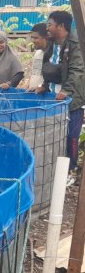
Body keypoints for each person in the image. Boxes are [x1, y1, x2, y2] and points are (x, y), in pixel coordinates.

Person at [36, 11, 85, 171]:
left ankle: (70, 168)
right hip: (52, 97)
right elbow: (48, 66)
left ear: (61, 26)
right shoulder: (51, 43)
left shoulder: (76, 45)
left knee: (71, 136)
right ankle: (53, 167)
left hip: (72, 100)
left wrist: (66, 91)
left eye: (50, 24)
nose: (47, 28)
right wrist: (44, 84)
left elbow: (77, 71)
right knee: (51, 134)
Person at [27, 23, 48, 90]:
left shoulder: (52, 56)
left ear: (46, 38)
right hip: (33, 93)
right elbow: (35, 72)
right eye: (32, 38)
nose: (32, 41)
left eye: (36, 38)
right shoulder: (38, 53)